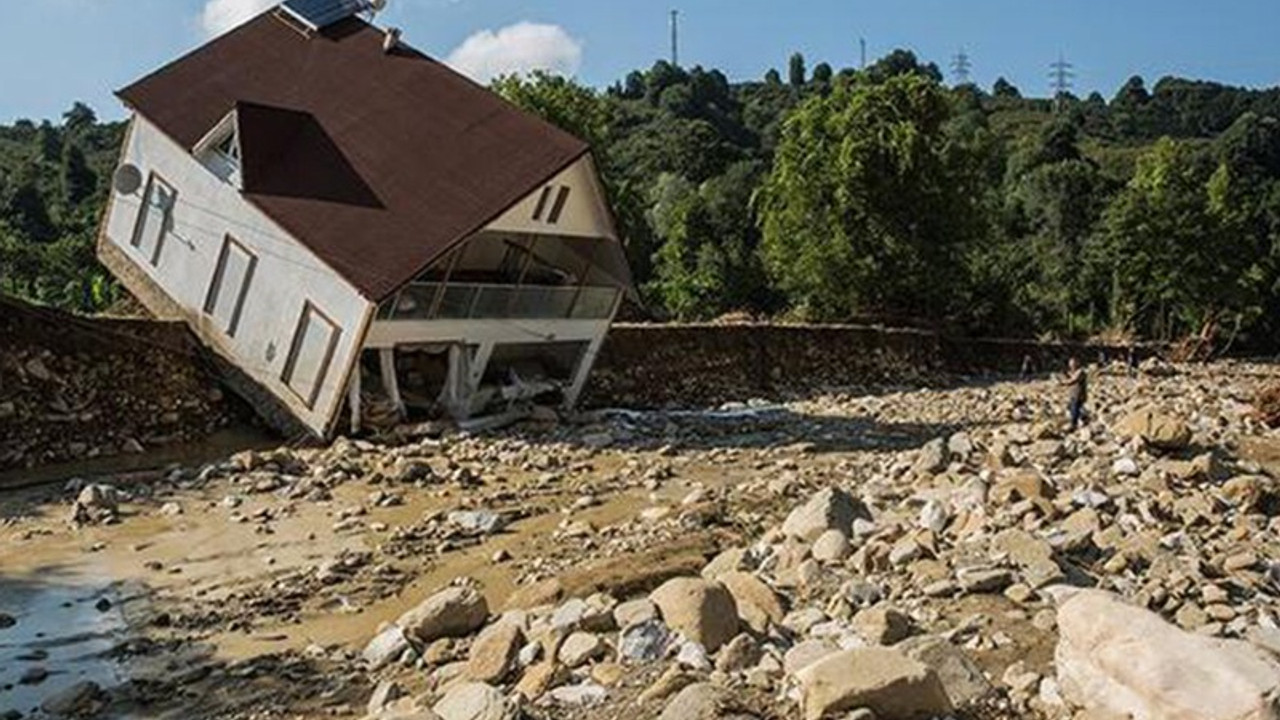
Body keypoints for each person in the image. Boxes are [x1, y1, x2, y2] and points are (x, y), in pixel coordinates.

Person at [1061, 357, 1088, 431]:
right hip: (1073, 394)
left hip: (1079, 394)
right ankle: (1084, 418)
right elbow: (1070, 379)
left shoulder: (1080, 372)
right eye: (1070, 364)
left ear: (1077, 363)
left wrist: (1062, 383)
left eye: (1073, 364)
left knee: (1074, 409)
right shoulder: (1074, 372)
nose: (1071, 365)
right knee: (1071, 407)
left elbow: (1073, 380)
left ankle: (1073, 425)